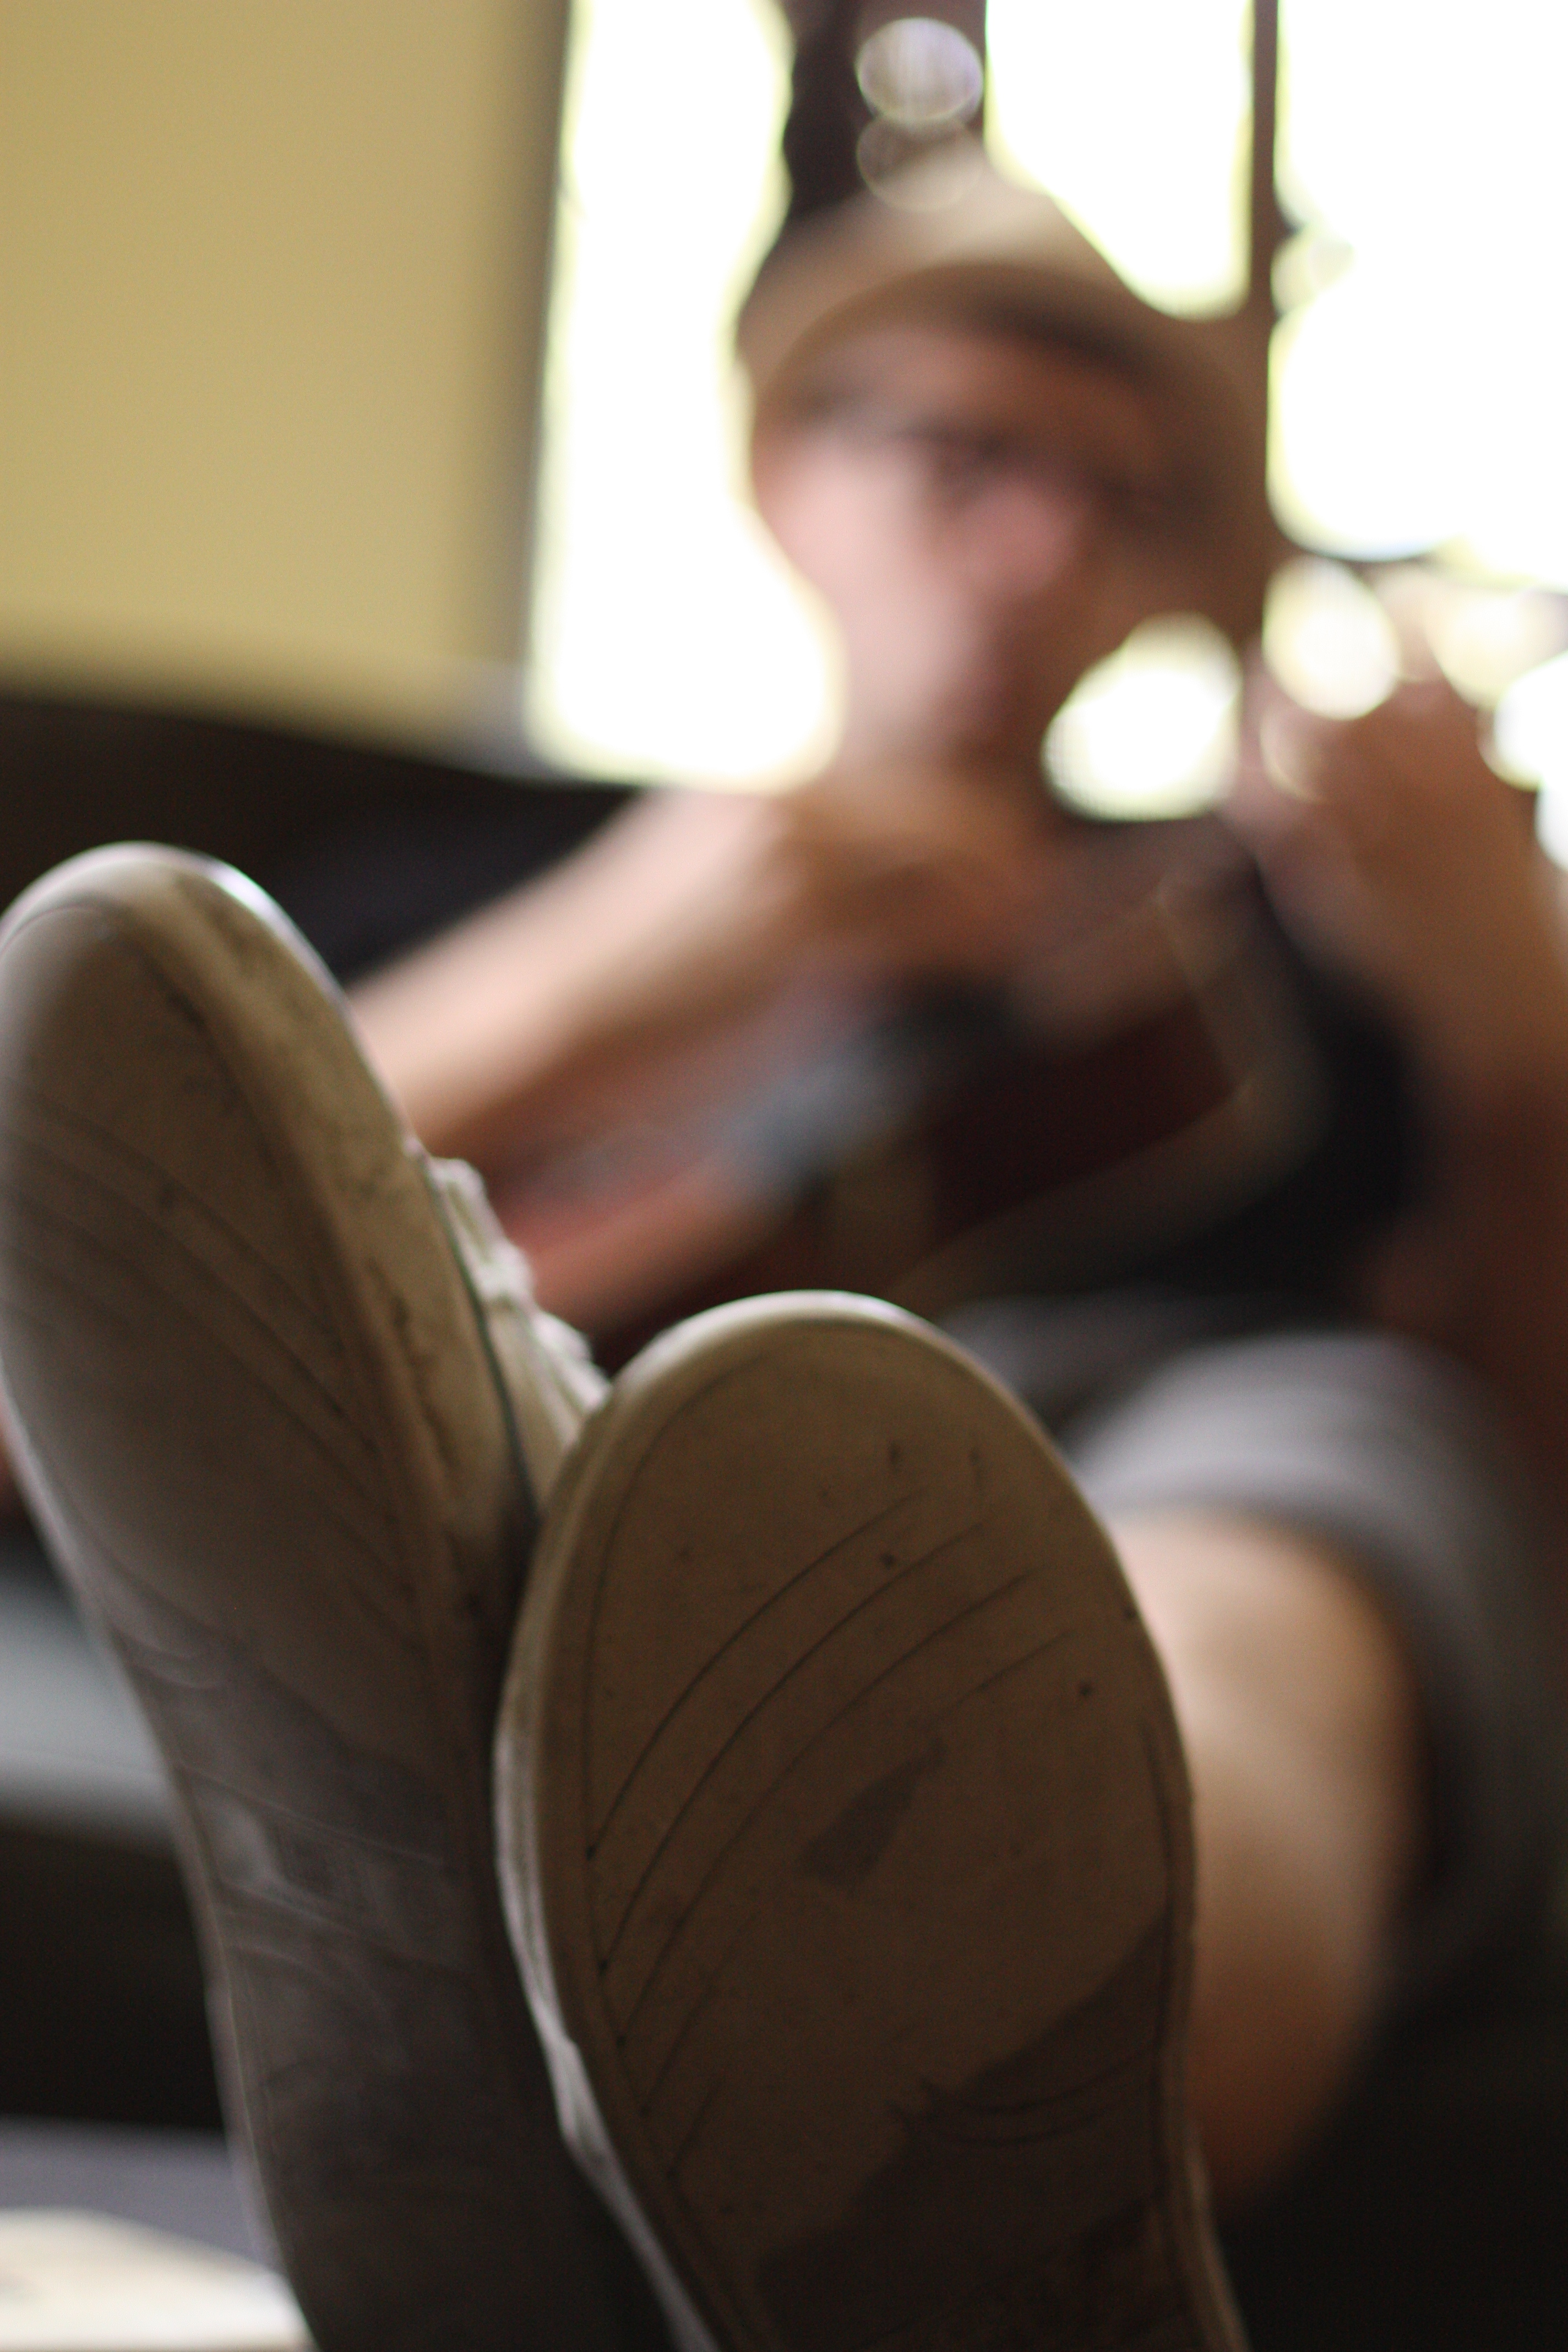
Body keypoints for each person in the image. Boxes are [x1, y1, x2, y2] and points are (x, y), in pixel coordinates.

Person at [0, 162, 1565, 2352]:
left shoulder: (1291, 938)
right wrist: (599, 975)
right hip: (614, 1429)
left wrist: (1521, 1045)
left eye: (1116, 499)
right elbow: (99, 1272)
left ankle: (1006, 2117)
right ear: (784, 477)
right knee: (530, 1424)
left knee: (1258, 1573)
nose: (1033, 543)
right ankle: (505, 1704)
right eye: (963, 451)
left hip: (1188, 1410)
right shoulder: (514, 875)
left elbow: (1529, 1461)